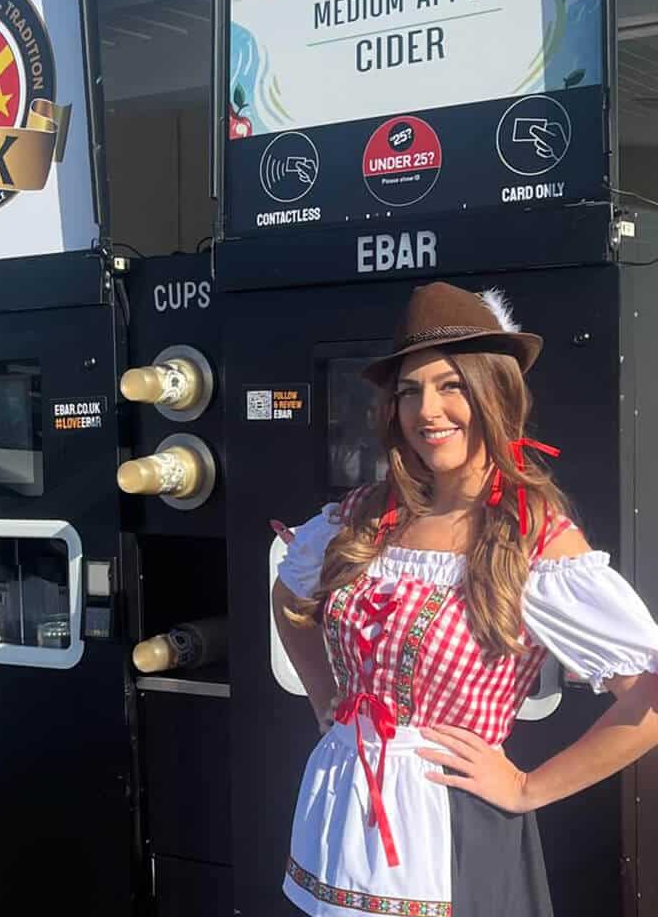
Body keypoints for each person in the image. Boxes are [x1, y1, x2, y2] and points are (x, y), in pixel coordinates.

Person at [271, 283, 658, 916]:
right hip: (340, 806)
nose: (429, 411)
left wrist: (529, 786)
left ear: (495, 394)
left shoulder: (530, 537)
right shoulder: (365, 516)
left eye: (452, 386)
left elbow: (649, 696)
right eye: (410, 391)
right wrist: (326, 702)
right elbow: (290, 601)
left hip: (449, 827)